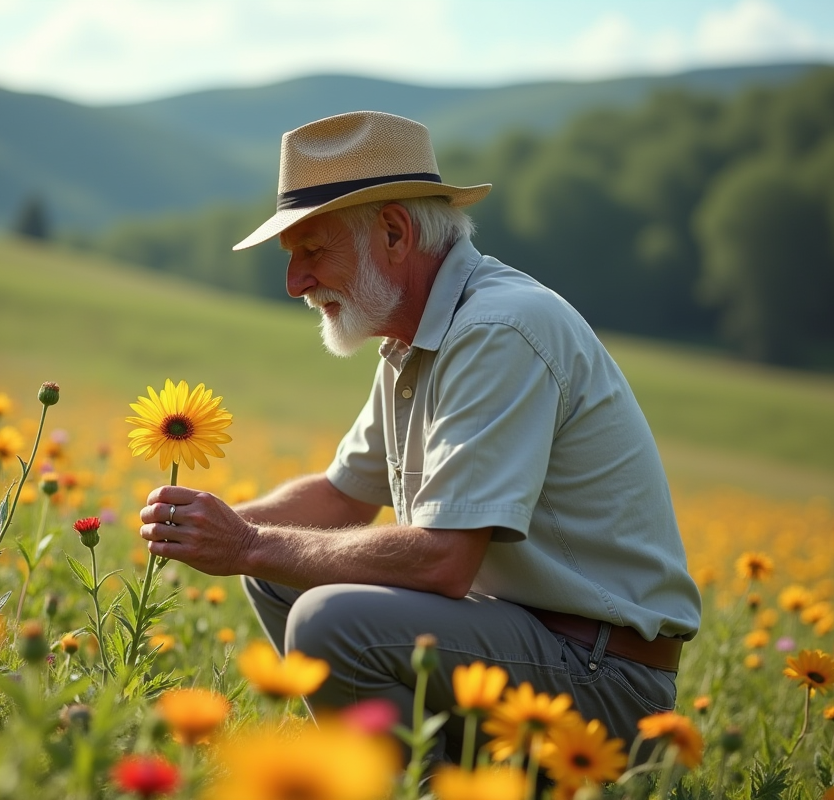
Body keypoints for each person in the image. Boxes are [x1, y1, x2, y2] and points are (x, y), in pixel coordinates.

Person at [138, 110, 701, 759]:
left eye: (313, 252)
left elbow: (443, 560)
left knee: (324, 616)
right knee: (276, 575)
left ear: (396, 233)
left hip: (602, 685)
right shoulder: (418, 339)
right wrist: (210, 528)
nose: (296, 282)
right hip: (518, 649)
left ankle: (418, 783)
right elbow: (343, 496)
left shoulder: (497, 330)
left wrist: (248, 542)